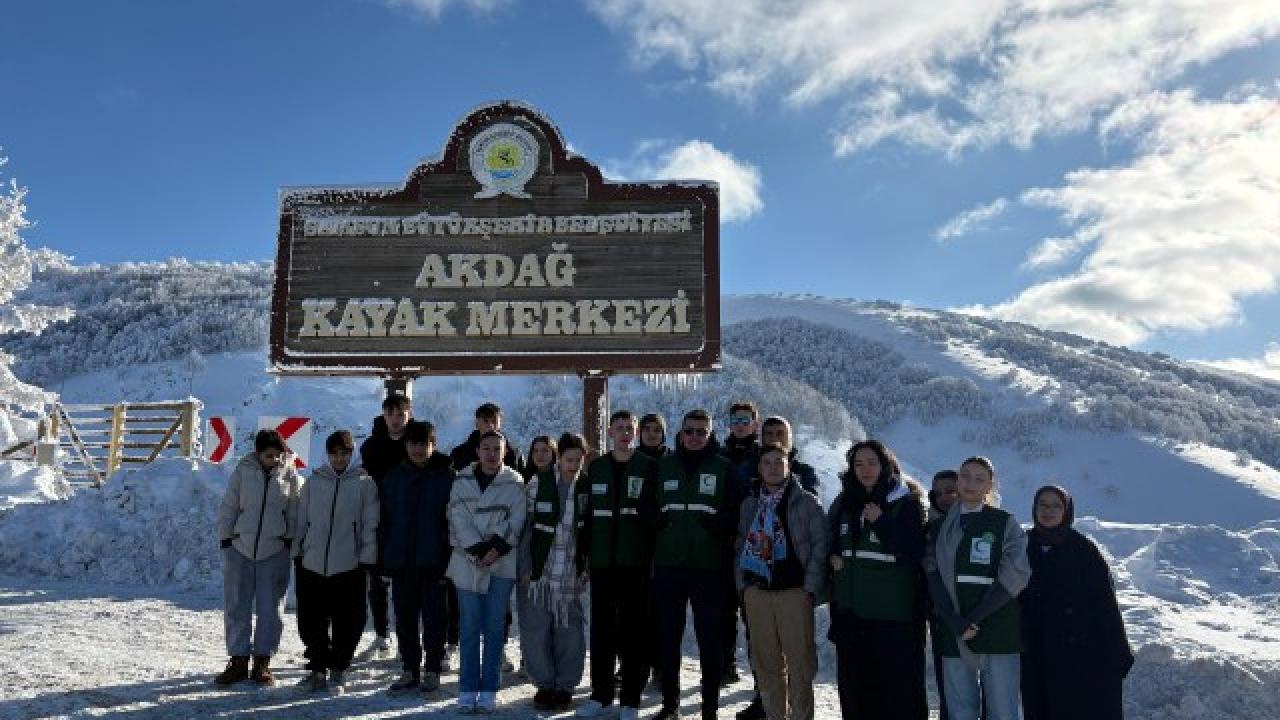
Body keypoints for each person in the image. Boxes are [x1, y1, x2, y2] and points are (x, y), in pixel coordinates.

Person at [827, 440, 928, 720]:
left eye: (872, 463)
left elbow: (912, 554)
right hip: (852, 617)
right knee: (856, 696)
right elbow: (837, 544)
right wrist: (833, 556)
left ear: (886, 465)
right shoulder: (846, 503)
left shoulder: (904, 503)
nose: (865, 470)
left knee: (896, 698)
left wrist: (882, 523)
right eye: (858, 464)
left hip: (893, 621)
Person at [652, 409, 743, 720]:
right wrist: (656, 522)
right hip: (669, 563)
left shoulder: (723, 467)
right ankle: (670, 705)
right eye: (689, 431)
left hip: (709, 566)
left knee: (710, 641)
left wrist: (719, 525)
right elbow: (644, 506)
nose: (694, 437)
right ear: (681, 432)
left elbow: (738, 509)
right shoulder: (663, 466)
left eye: (701, 432)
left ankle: (709, 710)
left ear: (710, 434)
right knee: (668, 637)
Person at [925, 457, 1031, 720]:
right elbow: (932, 574)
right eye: (965, 476)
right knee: (960, 710)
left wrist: (974, 618)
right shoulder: (938, 528)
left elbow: (1016, 574)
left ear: (990, 487)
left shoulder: (1004, 523)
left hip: (997, 628)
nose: (970, 483)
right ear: (957, 480)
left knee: (1003, 710)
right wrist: (954, 620)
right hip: (954, 628)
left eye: (979, 478)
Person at [1020, 485, 1133, 720]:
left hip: (1079, 655)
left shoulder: (1083, 551)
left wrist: (1118, 652)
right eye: (1043, 504)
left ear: (1067, 511)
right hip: (1035, 652)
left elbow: (1105, 603)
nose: (1048, 511)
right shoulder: (1022, 546)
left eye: (1056, 506)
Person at [575, 411, 658, 720]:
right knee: (602, 631)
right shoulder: (596, 468)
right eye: (620, 428)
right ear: (610, 432)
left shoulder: (649, 468)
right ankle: (601, 695)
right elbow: (585, 518)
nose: (625, 433)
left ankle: (631, 700)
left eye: (630, 428)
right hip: (602, 563)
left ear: (635, 433)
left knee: (633, 633)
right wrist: (583, 556)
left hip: (635, 563)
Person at [735, 443, 827, 720]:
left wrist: (810, 588)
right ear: (759, 468)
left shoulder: (806, 502)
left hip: (794, 592)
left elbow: (820, 546)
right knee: (766, 665)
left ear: (789, 466)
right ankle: (775, 715)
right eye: (767, 462)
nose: (773, 467)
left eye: (779, 461)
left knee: (800, 666)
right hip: (758, 593)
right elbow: (740, 543)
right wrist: (744, 587)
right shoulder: (751, 503)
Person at [293, 430, 380, 693]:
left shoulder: (365, 484)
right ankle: (317, 669)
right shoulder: (313, 481)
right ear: (326, 454)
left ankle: (339, 669)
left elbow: (370, 524)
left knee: (349, 621)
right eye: (334, 453)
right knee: (311, 621)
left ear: (352, 454)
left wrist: (366, 557)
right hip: (312, 563)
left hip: (349, 565)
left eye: (344, 453)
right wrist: (298, 551)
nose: (339, 459)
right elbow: (301, 519)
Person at [447, 430, 527, 713]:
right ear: (477, 451)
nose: (492, 454)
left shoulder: (514, 482)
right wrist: (477, 549)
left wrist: (496, 546)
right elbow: (456, 516)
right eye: (486, 448)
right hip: (467, 562)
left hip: (501, 564)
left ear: (504, 452)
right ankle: (467, 688)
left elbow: (518, 517)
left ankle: (490, 688)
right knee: (468, 628)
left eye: (497, 449)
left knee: (494, 628)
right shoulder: (461, 481)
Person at [214, 429, 302, 686]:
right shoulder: (243, 471)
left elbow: (294, 512)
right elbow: (229, 506)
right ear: (258, 453)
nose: (273, 460)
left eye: (277, 455)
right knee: (237, 605)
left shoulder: (290, 475)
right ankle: (238, 660)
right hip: (240, 549)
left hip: (274, 552)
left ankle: (263, 661)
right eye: (268, 455)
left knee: (270, 610)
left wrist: (288, 542)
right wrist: (226, 539)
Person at [518, 432, 591, 713]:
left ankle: (565, 686)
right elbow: (525, 530)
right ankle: (544, 683)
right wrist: (524, 567)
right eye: (568, 459)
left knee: (569, 632)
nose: (573, 465)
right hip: (539, 573)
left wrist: (587, 566)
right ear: (558, 458)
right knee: (535, 630)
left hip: (570, 572)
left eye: (578, 460)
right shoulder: (538, 484)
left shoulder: (587, 488)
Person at [381, 420, 455, 695]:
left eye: (424, 443)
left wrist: (447, 555)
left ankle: (433, 669)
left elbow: (453, 521)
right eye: (413, 443)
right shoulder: (393, 478)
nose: (418, 449)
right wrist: (384, 557)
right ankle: (410, 669)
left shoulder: (446, 477)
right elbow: (385, 521)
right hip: (401, 561)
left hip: (434, 560)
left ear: (433, 446)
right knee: (405, 619)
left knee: (436, 619)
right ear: (406, 445)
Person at [358, 392, 413, 659]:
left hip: (408, 522)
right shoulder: (371, 446)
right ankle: (382, 636)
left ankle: (407, 640)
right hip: (379, 520)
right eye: (390, 414)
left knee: (406, 584)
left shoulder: (416, 443)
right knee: (377, 582)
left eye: (400, 414)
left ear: (408, 415)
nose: (395, 420)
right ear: (384, 415)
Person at [718, 401, 760, 688]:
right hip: (721, 542)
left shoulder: (764, 456)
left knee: (755, 615)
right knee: (722, 612)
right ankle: (726, 666)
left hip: (756, 544)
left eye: (746, 419)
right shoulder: (719, 456)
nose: (741, 424)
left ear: (755, 424)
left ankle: (761, 675)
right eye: (736, 419)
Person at [926, 470, 960, 720]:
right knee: (950, 689)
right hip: (943, 620)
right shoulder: (929, 531)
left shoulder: (988, 524)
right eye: (938, 493)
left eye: (951, 490)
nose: (944, 497)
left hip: (983, 618)